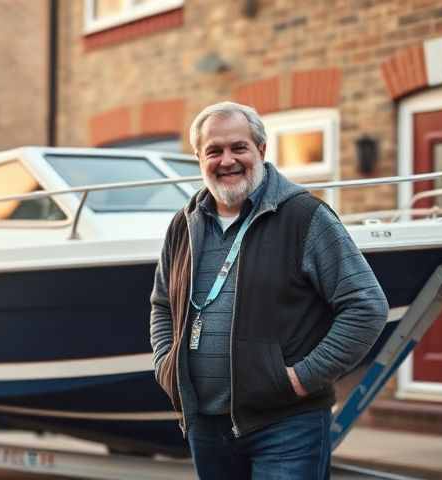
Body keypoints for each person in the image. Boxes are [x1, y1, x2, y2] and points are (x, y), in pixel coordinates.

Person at [149, 101, 388, 479]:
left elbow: (367, 306)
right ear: (199, 158)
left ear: (260, 150)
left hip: (286, 425)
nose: (227, 160)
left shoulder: (305, 216)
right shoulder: (184, 224)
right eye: (214, 150)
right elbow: (162, 303)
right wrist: (166, 366)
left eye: (238, 148)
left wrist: (300, 378)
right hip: (207, 427)